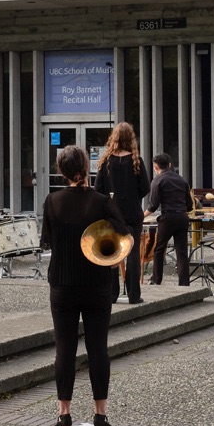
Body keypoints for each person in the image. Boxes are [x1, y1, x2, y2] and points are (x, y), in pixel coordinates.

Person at [41, 144, 129, 426]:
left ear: (61, 171)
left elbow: (47, 242)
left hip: (63, 284)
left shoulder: (52, 201)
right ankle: (100, 415)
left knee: (64, 349)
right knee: (97, 348)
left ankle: (63, 415)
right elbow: (124, 232)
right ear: (87, 169)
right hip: (97, 284)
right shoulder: (102, 201)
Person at [94, 122, 146, 305]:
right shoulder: (136, 160)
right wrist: (132, 196)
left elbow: (98, 189)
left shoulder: (106, 161)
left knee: (112, 252)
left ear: (113, 138)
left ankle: (112, 294)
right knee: (132, 252)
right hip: (133, 213)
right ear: (131, 138)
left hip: (112, 213)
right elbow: (145, 188)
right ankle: (133, 295)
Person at [145, 152, 192, 288]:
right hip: (182, 217)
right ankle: (184, 283)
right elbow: (189, 205)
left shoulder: (158, 180)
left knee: (159, 249)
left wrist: (142, 216)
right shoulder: (182, 180)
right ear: (170, 165)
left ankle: (156, 279)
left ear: (155, 167)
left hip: (168, 217)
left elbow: (153, 205)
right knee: (181, 251)